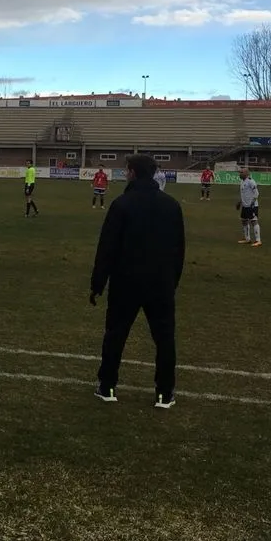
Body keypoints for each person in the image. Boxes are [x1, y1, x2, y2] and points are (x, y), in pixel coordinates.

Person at [89, 153, 184, 408]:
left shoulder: (122, 204)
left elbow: (106, 248)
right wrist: (171, 281)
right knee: (164, 339)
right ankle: (165, 393)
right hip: (160, 284)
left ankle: (107, 386)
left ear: (131, 172)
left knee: (115, 336)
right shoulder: (172, 205)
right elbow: (179, 250)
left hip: (126, 282)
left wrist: (97, 283)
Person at [237, 168, 262, 247]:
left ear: (246, 173)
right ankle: (247, 239)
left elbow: (256, 193)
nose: (239, 174)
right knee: (244, 221)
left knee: (254, 221)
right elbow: (244, 194)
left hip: (252, 205)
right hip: (245, 205)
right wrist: (240, 202)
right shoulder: (242, 181)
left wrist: (252, 203)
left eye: (241, 172)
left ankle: (258, 240)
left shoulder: (251, 181)